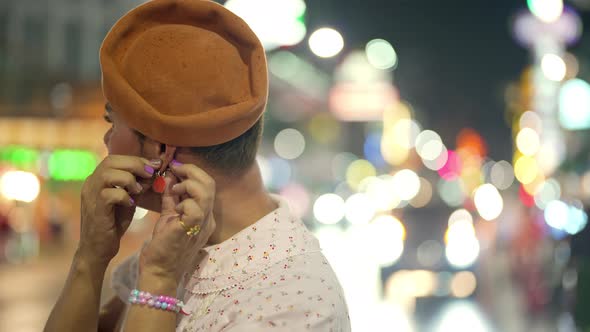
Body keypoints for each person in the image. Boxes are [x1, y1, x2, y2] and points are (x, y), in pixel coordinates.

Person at [43, 0, 350, 331]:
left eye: (111, 122)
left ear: (161, 150)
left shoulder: (294, 305)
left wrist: (159, 282)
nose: (106, 140)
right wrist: (90, 259)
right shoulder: (185, 244)